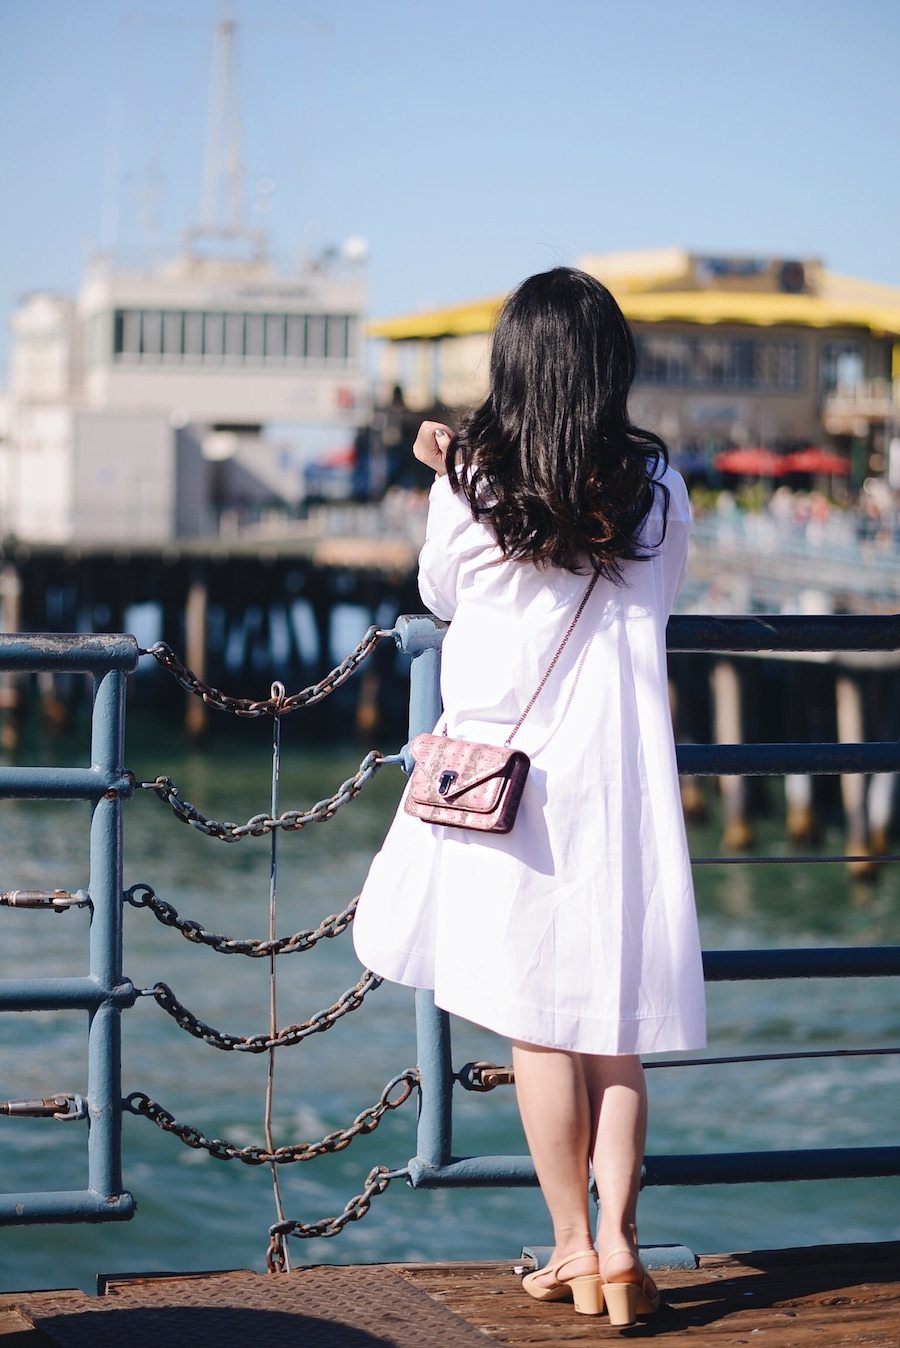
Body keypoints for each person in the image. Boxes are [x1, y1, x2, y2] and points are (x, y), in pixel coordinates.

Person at [353, 267, 706, 1327]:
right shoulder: (660, 489)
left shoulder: (475, 485)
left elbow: (440, 595)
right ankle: (622, 1250)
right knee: (616, 1027)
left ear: (512, 366)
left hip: (516, 789)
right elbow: (664, 595)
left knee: (541, 1029)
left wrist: (455, 464)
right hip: (622, 780)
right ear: (610, 369)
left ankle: (568, 1246)